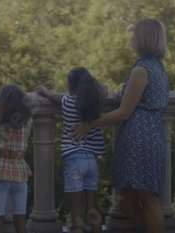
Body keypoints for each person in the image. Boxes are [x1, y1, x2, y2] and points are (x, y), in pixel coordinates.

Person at [72, 18, 169, 233]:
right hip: (150, 134)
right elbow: (138, 97)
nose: (132, 38)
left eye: (135, 34)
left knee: (148, 199)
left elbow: (124, 112)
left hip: (140, 138)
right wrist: (121, 93)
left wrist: (90, 124)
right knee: (125, 200)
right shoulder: (157, 67)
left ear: (143, 38)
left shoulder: (141, 70)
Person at [37, 67, 107, 233]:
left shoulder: (67, 102)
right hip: (91, 161)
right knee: (93, 210)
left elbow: (53, 96)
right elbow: (105, 88)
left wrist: (44, 90)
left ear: (70, 85)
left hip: (74, 159)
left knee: (77, 216)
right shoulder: (94, 102)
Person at [0, 84, 33, 233]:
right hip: (20, 170)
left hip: (0, 170)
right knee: (20, 218)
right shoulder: (28, 121)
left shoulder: (0, 121)